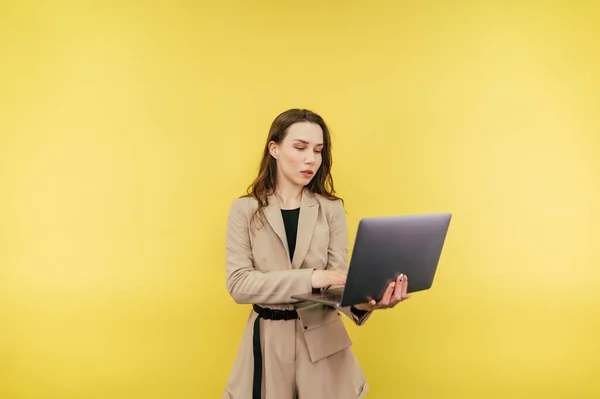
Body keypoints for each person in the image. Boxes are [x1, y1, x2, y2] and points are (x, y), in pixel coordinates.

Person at [222, 109, 411, 399]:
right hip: (266, 345)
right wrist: (312, 277)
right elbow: (239, 285)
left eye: (318, 150)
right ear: (274, 148)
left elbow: (336, 284)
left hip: (324, 346)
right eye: (300, 147)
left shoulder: (331, 209)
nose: (311, 159)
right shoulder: (244, 210)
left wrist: (365, 304)